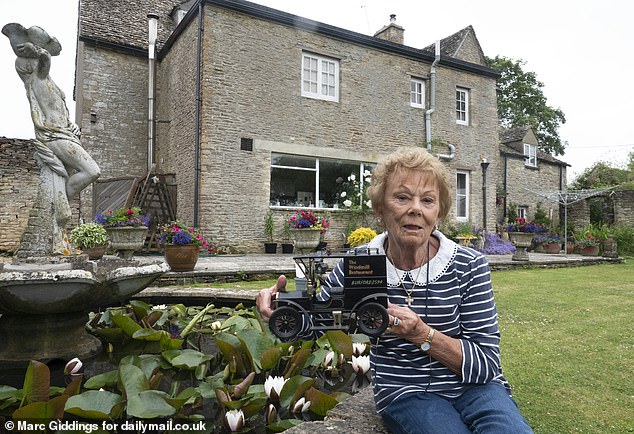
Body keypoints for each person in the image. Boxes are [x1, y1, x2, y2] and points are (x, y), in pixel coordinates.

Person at [257, 147, 533, 433]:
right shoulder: (359, 264)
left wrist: (422, 335)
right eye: (402, 197)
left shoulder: (469, 265)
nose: (415, 208)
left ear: (438, 212)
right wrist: (279, 307)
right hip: (408, 391)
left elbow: (487, 363)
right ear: (380, 207)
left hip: (476, 386)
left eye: (427, 200)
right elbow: (314, 322)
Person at [2, 23, 100, 202]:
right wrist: (38, 51)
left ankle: (56, 204)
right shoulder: (36, 80)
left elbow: (60, 111)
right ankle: (57, 203)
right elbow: (45, 59)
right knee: (92, 171)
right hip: (54, 135)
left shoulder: (49, 83)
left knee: (89, 172)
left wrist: (73, 126)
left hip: (65, 133)